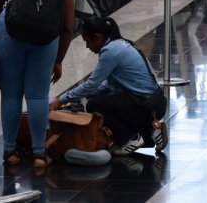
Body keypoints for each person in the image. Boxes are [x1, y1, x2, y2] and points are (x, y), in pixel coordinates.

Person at [0, 0, 75, 168]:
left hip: (10, 30)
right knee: (37, 95)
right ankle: (38, 154)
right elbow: (68, 27)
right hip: (46, 38)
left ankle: (9, 152)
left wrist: (1, 12)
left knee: (11, 94)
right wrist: (60, 59)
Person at [50, 16, 167, 156]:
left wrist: (62, 99)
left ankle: (130, 138)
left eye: (87, 41)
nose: (87, 46)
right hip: (154, 103)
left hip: (146, 106)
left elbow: (91, 84)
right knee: (104, 99)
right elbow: (107, 85)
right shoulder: (119, 44)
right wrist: (84, 94)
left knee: (95, 105)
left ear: (97, 37)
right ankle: (151, 133)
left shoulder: (110, 52)